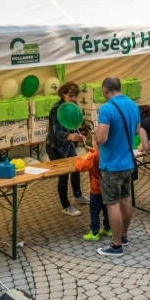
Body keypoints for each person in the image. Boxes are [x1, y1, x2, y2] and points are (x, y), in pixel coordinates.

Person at [95, 77, 141, 257]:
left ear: (105, 90)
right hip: (128, 162)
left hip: (111, 165)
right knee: (126, 199)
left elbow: (102, 139)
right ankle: (123, 236)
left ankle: (116, 246)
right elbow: (137, 130)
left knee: (112, 204)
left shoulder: (106, 109)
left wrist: (96, 134)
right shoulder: (133, 105)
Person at [47, 81, 89, 216]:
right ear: (63, 94)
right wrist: (70, 136)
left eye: (76, 96)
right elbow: (57, 131)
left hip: (67, 144)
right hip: (55, 146)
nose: (74, 99)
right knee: (63, 176)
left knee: (77, 168)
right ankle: (65, 206)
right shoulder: (56, 109)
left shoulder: (73, 106)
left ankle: (78, 196)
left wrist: (78, 134)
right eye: (71, 95)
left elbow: (73, 124)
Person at [75, 144, 112, 241]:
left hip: (96, 190)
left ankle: (94, 232)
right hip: (107, 188)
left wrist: (77, 159)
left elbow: (82, 167)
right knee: (107, 211)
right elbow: (97, 153)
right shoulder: (107, 152)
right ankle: (108, 229)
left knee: (94, 212)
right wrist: (93, 150)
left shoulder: (92, 156)